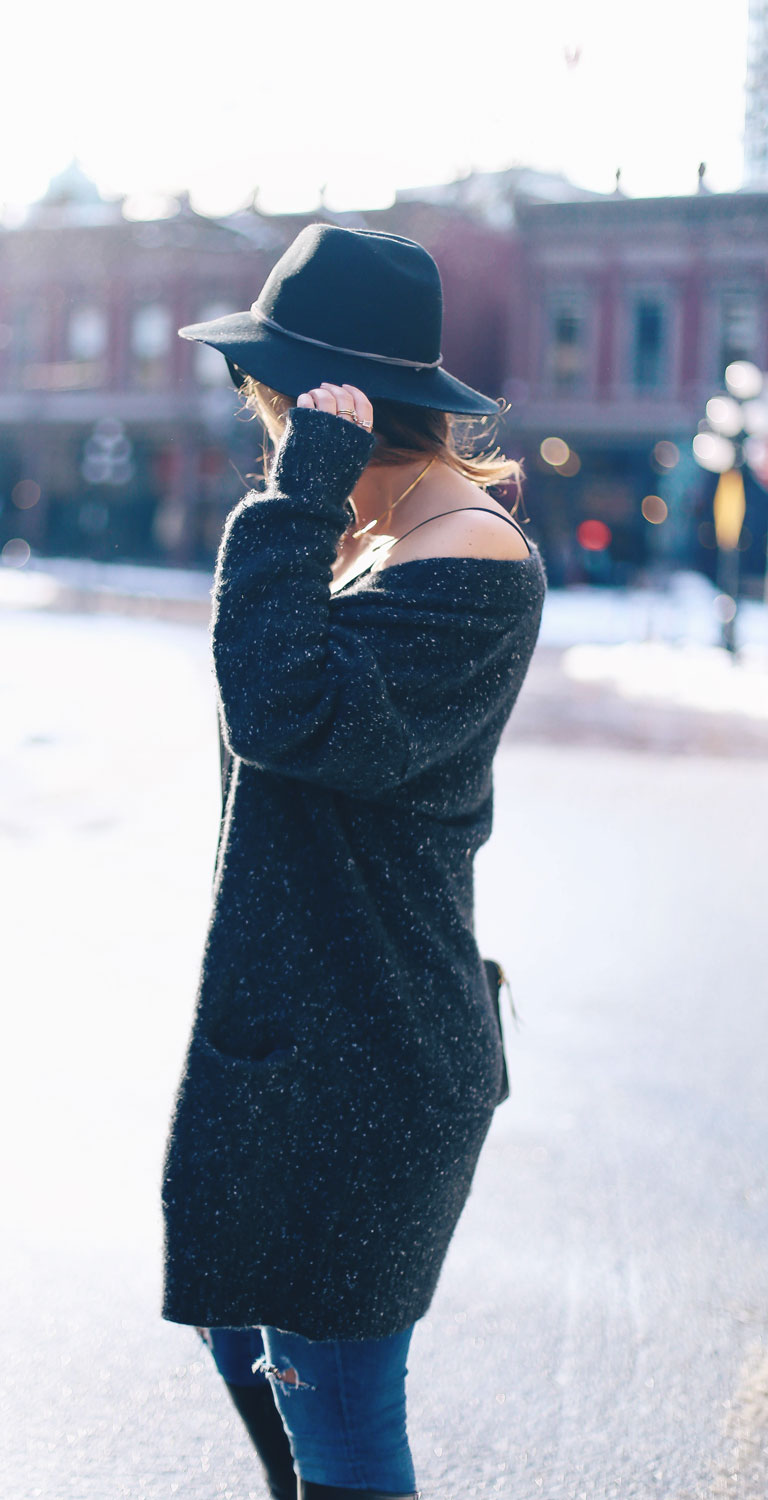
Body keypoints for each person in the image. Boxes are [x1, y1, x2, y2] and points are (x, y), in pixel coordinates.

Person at [160, 224, 547, 1500]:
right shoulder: (367, 538)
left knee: (340, 1430)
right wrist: (314, 507)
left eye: (271, 403)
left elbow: (282, 710)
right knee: (251, 1347)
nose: (263, 427)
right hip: (298, 1047)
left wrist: (301, 489)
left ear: (332, 407)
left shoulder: (472, 564)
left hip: (367, 1064)